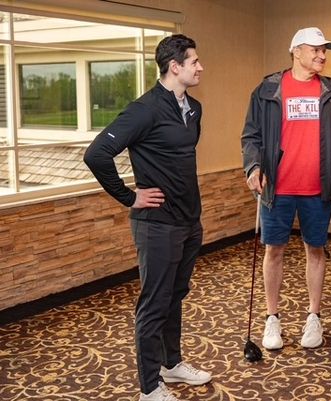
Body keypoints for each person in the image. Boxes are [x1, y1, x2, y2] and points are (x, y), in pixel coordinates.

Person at [84, 34, 211, 401]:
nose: (200, 67)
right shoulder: (145, 109)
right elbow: (96, 154)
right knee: (154, 304)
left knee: (175, 295)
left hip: (188, 221)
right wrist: (130, 196)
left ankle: (171, 364)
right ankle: (149, 387)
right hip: (156, 225)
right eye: (194, 61)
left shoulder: (193, 108)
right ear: (175, 66)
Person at [241, 27, 331, 351]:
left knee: (315, 250)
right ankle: (272, 318)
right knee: (274, 251)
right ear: (297, 52)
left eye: (324, 50)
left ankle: (314, 316)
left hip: (317, 189)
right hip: (277, 188)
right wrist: (253, 167)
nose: (322, 55)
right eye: (316, 49)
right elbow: (251, 136)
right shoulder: (267, 90)